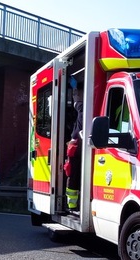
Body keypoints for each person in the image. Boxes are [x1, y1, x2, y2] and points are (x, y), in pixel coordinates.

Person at [64, 79, 83, 212]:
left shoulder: (83, 109)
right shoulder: (85, 109)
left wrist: (75, 91)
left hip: (76, 146)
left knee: (73, 174)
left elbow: (77, 103)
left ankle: (72, 205)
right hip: (76, 147)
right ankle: (72, 205)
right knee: (73, 173)